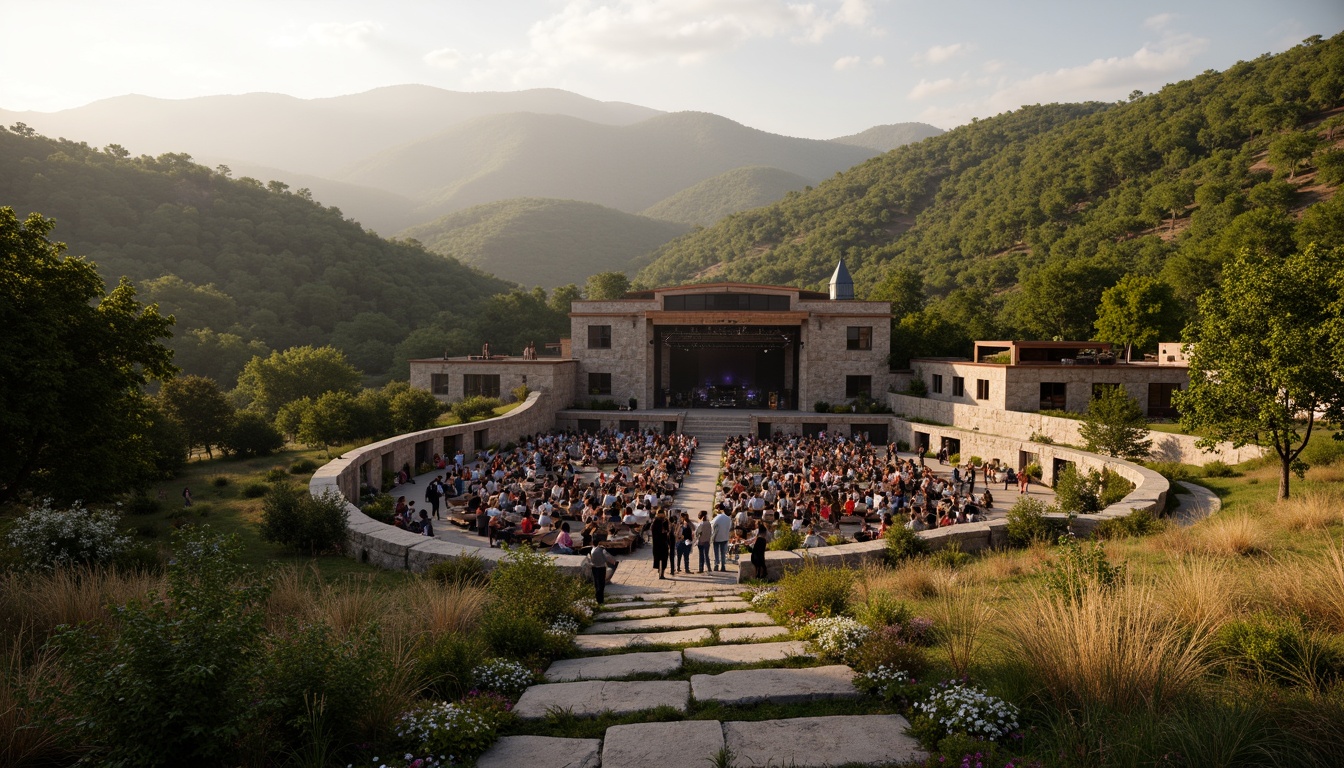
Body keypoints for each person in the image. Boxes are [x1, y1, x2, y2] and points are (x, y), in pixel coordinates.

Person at [651, 510, 671, 579]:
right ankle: (660, 570)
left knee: (664, 559)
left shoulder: (665, 521)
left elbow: (667, 531)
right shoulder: (655, 522)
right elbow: (654, 531)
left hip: (664, 542)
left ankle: (662, 573)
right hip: (657, 543)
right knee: (658, 558)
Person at [711, 507, 732, 572]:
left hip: (717, 537)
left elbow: (712, 525)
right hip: (725, 537)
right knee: (723, 553)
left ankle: (716, 565)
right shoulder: (729, 519)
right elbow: (729, 528)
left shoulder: (717, 517)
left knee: (716, 552)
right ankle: (723, 566)